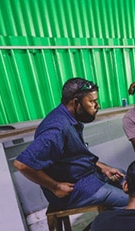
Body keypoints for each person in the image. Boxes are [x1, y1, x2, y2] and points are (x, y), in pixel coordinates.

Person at [13, 78, 128, 211]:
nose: (98, 106)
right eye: (92, 101)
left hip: (86, 175)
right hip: (75, 188)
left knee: (124, 175)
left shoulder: (69, 118)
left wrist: (103, 167)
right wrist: (55, 187)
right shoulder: (57, 128)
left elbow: (75, 156)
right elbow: (22, 164)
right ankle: (111, 226)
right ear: (76, 102)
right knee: (133, 202)